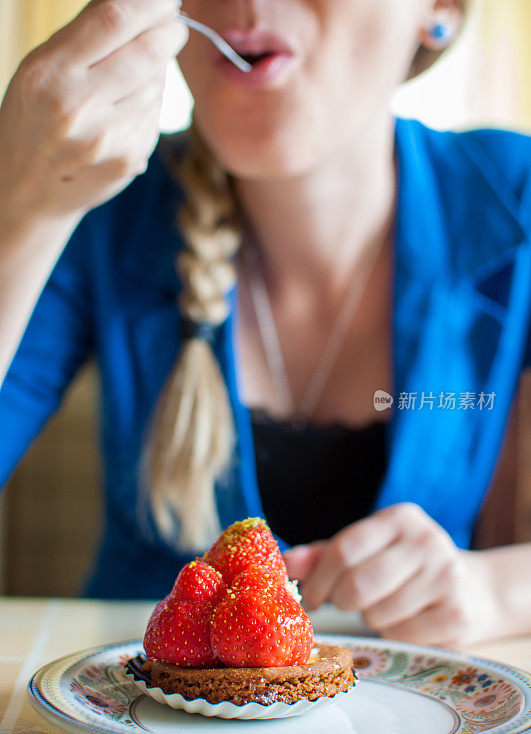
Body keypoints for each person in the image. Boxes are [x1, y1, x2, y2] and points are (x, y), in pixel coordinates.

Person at [0, 0, 530, 647]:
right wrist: (21, 211)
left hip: (409, 727)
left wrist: (489, 590)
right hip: (132, 718)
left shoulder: (514, 195)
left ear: (438, 10)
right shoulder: (99, 206)